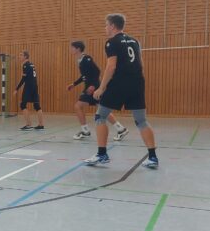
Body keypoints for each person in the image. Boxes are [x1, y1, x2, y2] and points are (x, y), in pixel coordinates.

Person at [86, 14, 159, 168]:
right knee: (141, 120)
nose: (105, 28)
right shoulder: (135, 41)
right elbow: (141, 64)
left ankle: (101, 154)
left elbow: (111, 66)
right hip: (137, 82)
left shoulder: (111, 42)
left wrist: (101, 87)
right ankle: (153, 157)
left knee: (100, 116)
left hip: (119, 83)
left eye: (106, 25)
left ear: (113, 26)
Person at [67, 41, 128, 141]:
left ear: (78, 49)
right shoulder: (80, 60)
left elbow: (97, 71)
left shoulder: (86, 59)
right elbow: (84, 76)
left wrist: (93, 86)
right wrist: (74, 84)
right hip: (91, 87)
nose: (70, 49)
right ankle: (121, 129)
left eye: (72, 47)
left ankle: (85, 131)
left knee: (78, 106)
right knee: (102, 109)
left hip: (92, 88)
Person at [13, 51, 44, 130]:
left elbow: (23, 79)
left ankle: (28, 125)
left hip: (29, 87)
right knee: (37, 105)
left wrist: (17, 89)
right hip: (35, 86)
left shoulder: (25, 65)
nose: (19, 56)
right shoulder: (31, 64)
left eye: (21, 55)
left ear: (25, 57)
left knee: (23, 105)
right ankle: (41, 125)